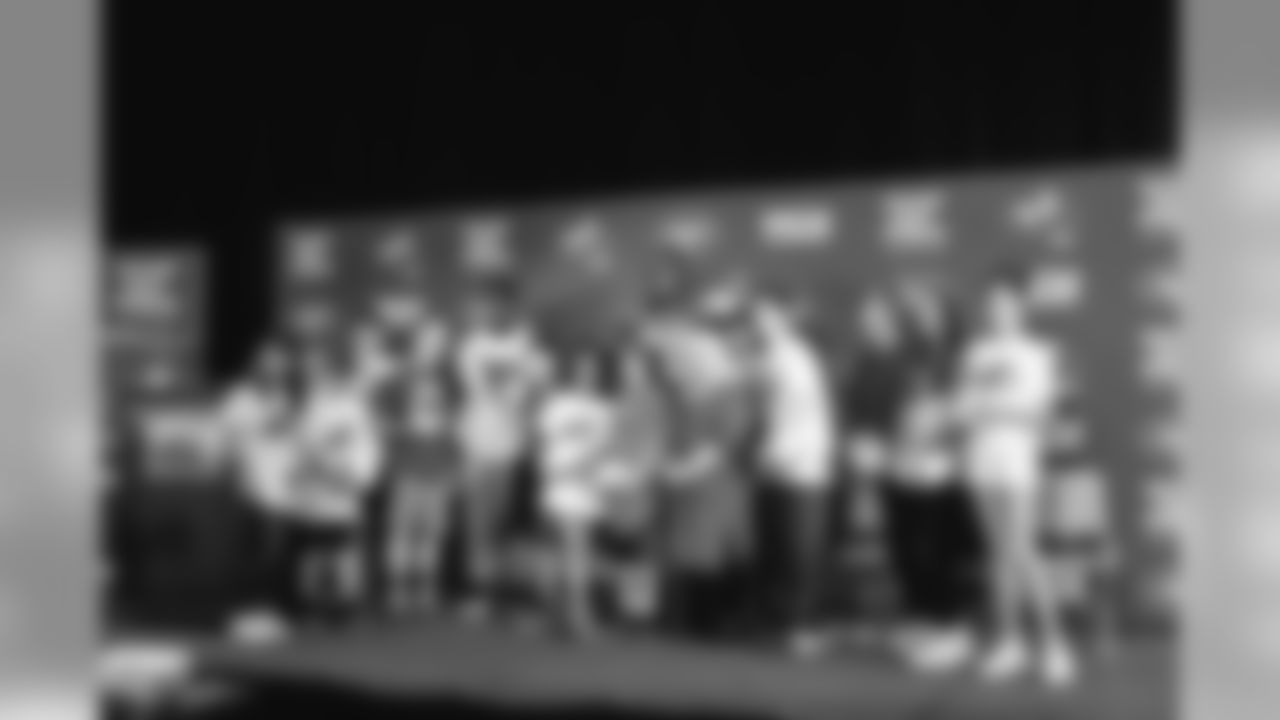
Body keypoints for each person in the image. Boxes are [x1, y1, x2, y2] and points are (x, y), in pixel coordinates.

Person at [954, 269, 1077, 687]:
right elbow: (964, 408)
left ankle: (1056, 645)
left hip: (1017, 461)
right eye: (991, 305)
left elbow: (1039, 415)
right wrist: (979, 411)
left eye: (1005, 304)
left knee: (1022, 551)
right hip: (980, 459)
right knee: (997, 555)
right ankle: (1010, 643)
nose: (997, 311)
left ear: (1021, 308)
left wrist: (990, 410)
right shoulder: (974, 354)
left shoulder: (1036, 354)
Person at [643, 278, 762, 641]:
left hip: (717, 484)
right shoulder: (681, 384)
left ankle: (715, 621)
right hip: (690, 482)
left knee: (714, 552)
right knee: (688, 551)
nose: (675, 367)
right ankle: (686, 618)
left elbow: (728, 436)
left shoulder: (726, 386)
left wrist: (685, 469)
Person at [452, 283, 553, 620]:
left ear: (512, 306)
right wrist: (518, 379)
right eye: (486, 305)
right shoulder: (473, 346)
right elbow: (488, 387)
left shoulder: (530, 344)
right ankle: (481, 593)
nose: (491, 311)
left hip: (517, 449)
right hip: (479, 446)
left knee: (516, 529)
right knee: (479, 526)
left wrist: (528, 382)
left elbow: (539, 390)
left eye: (498, 304)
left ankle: (516, 595)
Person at [750, 297, 839, 659]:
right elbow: (761, 412)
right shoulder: (764, 359)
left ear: (784, 319)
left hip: (803, 469)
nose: (760, 324)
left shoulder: (797, 359)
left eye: (767, 317)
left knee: (801, 552)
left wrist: (779, 452)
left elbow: (800, 415)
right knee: (776, 550)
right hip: (772, 469)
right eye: (757, 318)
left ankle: (803, 627)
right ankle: (778, 623)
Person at [290, 344, 385, 624]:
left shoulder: (358, 405)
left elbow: (368, 445)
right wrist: (317, 469)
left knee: (345, 548)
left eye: (340, 371)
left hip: (346, 487)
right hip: (316, 488)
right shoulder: (313, 404)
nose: (335, 376)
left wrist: (360, 476)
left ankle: (345, 604)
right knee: (314, 549)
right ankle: (311, 603)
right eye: (331, 371)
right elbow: (303, 445)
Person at [218, 341, 305, 640]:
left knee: (277, 556)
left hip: (285, 490)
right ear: (255, 367)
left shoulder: (285, 397)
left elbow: (295, 443)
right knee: (253, 556)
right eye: (268, 365)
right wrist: (264, 426)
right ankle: (245, 616)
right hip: (251, 489)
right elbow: (227, 442)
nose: (274, 371)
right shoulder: (238, 399)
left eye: (279, 366)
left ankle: (270, 614)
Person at [378, 316, 461, 617]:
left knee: (432, 533)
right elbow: (381, 422)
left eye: (438, 345)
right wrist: (405, 429)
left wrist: (454, 466)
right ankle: (397, 590)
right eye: (427, 343)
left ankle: (425, 589)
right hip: (407, 468)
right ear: (415, 346)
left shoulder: (450, 383)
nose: (432, 350)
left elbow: (455, 428)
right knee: (401, 531)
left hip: (438, 468)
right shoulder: (395, 381)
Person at [534, 351, 619, 637]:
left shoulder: (604, 409)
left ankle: (576, 616)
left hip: (586, 485)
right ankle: (561, 615)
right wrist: (551, 474)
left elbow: (607, 448)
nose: (586, 375)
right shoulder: (557, 405)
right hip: (559, 483)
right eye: (582, 369)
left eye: (591, 370)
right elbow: (543, 442)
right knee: (560, 550)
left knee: (578, 550)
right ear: (572, 373)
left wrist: (586, 469)